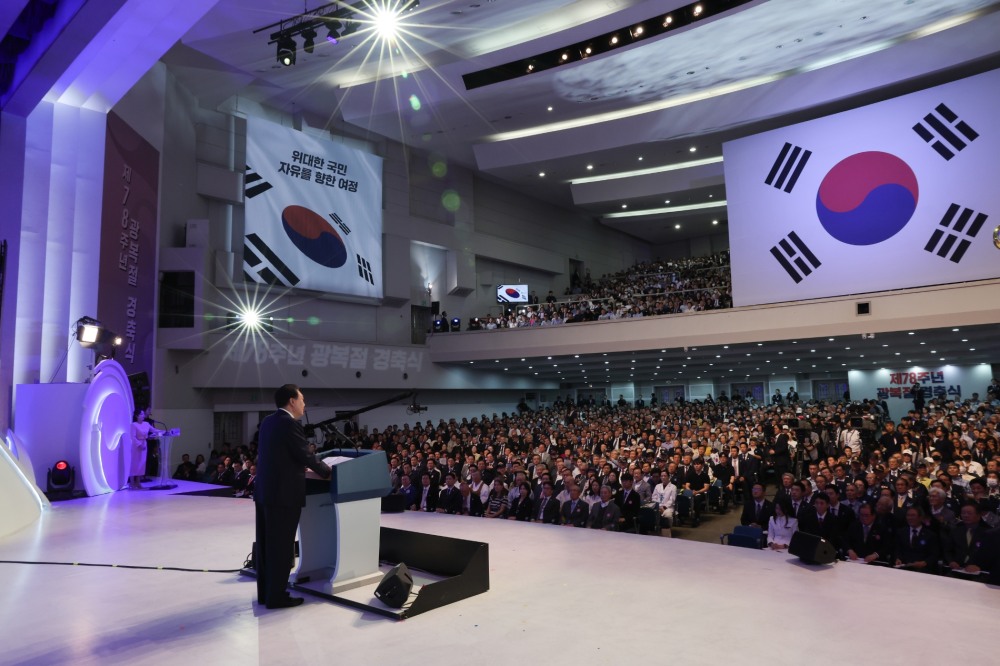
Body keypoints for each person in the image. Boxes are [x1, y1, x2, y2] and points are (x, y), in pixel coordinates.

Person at [254, 384, 331, 610]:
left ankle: (266, 593)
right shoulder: (289, 424)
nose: (304, 404)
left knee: (267, 545)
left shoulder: (268, 421)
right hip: (283, 495)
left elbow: (282, 455)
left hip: (266, 492)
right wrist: (327, 471)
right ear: (291, 401)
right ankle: (277, 597)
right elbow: (304, 454)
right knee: (281, 547)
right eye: (302, 399)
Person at [129, 408, 161, 490]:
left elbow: (154, 430)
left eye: (143, 414)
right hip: (136, 446)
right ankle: (132, 483)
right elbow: (133, 437)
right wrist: (139, 445)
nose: (143, 416)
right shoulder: (134, 425)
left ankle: (138, 482)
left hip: (144, 444)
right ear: (137, 416)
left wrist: (164, 431)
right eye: (141, 414)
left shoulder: (146, 424)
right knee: (135, 463)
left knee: (141, 463)